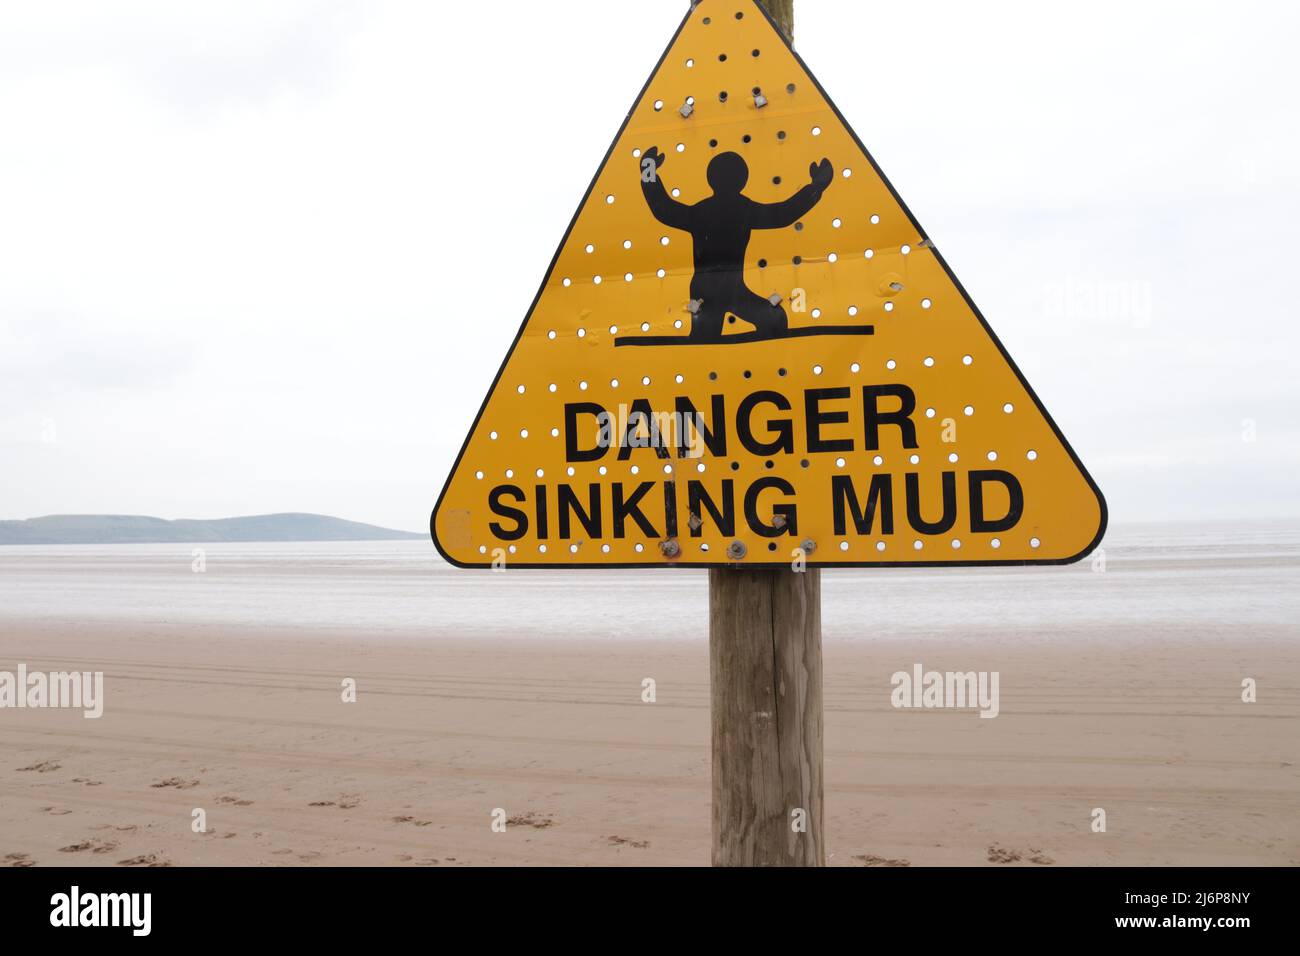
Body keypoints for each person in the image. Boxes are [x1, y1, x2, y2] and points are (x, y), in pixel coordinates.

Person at [639, 147, 834, 341]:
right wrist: (816, 187)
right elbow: (782, 214)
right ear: (744, 179)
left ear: (710, 179)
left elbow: (664, 208)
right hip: (723, 290)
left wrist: (648, 171)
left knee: (707, 340)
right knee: (774, 320)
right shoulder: (744, 209)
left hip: (714, 289)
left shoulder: (703, 211)